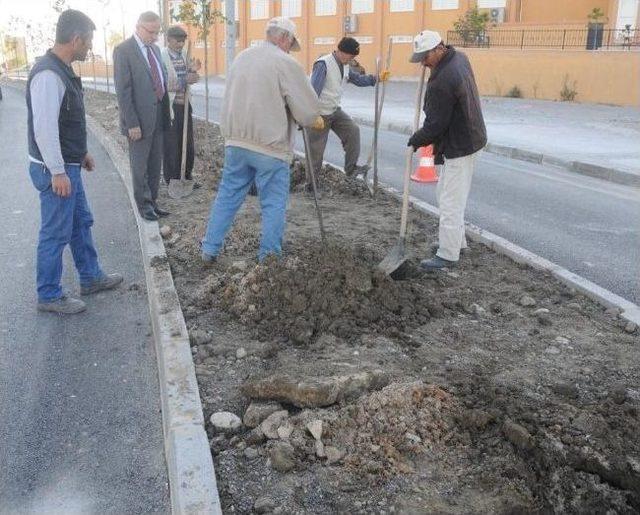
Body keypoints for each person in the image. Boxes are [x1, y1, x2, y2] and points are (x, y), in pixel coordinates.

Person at [201, 17, 322, 263]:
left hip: (236, 142)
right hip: (270, 146)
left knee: (227, 196)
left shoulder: (242, 57)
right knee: (273, 203)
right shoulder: (285, 62)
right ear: (284, 38)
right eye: (290, 42)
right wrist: (313, 118)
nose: (290, 47)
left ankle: (209, 249)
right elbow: (307, 110)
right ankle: (269, 259)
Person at [26, 9, 122, 314]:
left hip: (68, 164)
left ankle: (91, 277)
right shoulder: (48, 74)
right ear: (76, 39)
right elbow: (45, 129)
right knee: (55, 232)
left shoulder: (63, 70)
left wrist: (80, 154)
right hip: (54, 169)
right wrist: (57, 171)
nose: (90, 47)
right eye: (89, 41)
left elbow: (66, 120)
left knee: (80, 222)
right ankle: (49, 294)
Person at [407, 30, 487, 270]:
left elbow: (435, 125)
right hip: (471, 136)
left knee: (451, 202)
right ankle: (457, 241)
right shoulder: (458, 57)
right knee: (446, 194)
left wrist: (415, 140)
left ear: (438, 49)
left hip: (460, 145)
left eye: (425, 57)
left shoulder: (443, 80)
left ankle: (448, 255)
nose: (422, 62)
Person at [113, 11, 171, 221]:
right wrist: (132, 123)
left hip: (158, 117)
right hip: (138, 122)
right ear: (138, 27)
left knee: (156, 164)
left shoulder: (154, 49)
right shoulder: (123, 51)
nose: (155, 37)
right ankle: (143, 205)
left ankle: (153, 201)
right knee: (140, 167)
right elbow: (123, 91)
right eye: (151, 32)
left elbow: (160, 81)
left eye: (157, 32)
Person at [308, 37, 390, 183]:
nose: (352, 59)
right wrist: (312, 114)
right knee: (316, 151)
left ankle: (351, 169)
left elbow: (357, 79)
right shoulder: (323, 64)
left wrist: (377, 78)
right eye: (351, 56)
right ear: (341, 51)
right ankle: (311, 184)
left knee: (352, 131)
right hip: (319, 114)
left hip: (334, 110)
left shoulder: (344, 65)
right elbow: (313, 91)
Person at [161, 25, 201, 188]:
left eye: (183, 41)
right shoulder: (162, 57)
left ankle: (187, 176)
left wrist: (194, 72)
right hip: (170, 107)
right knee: (172, 144)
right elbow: (165, 84)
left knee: (187, 143)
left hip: (185, 105)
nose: (180, 44)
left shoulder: (185, 55)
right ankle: (172, 179)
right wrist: (185, 80)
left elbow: (193, 77)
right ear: (169, 40)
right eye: (177, 41)